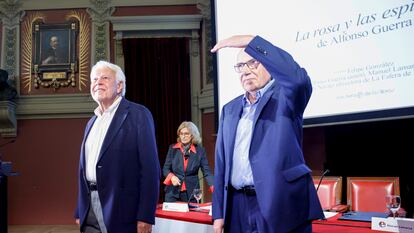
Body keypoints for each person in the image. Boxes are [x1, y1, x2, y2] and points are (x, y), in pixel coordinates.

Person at [211, 35, 324, 233]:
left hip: (279, 203)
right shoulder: (229, 109)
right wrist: (219, 213)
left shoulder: (287, 97)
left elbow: (297, 79)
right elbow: (222, 165)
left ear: (268, 65)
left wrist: (252, 40)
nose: (245, 71)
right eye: (240, 66)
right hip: (236, 207)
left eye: (252, 63)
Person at [74, 61, 160, 233]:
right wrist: (80, 209)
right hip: (89, 209)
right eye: (94, 79)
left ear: (119, 86)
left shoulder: (138, 115)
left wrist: (145, 215)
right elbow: (84, 169)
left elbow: (150, 170)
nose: (98, 82)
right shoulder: (92, 122)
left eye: (105, 78)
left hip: (122, 211)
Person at [162, 121, 214, 203]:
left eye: (186, 134)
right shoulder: (172, 149)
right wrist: (171, 177)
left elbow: (206, 172)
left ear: (192, 135)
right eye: (181, 133)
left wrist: (213, 186)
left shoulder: (200, 151)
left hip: (192, 193)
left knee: (192, 215)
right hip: (173, 192)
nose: (183, 136)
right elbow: (166, 169)